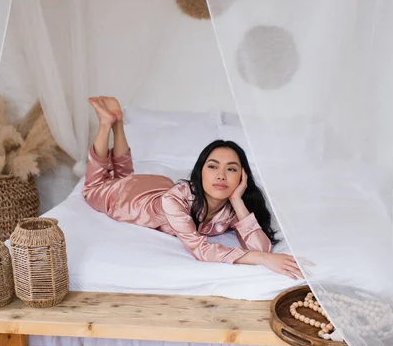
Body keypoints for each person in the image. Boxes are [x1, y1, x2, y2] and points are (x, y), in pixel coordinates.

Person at [83, 96, 303, 279]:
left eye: (232, 169)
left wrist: (237, 200)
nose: (221, 175)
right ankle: (107, 124)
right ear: (200, 172)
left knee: (124, 174)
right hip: (129, 199)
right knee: (96, 187)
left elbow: (262, 247)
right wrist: (262, 260)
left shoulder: (230, 206)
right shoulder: (176, 199)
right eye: (213, 166)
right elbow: (202, 249)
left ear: (242, 177)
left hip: (157, 184)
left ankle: (118, 122)